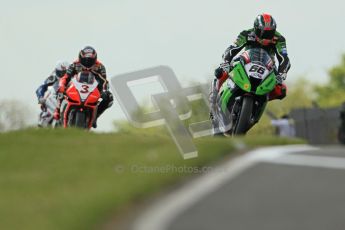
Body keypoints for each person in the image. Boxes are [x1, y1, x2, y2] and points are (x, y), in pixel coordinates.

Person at [210, 13, 291, 118]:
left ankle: (261, 100)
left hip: (268, 66)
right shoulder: (246, 33)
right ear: (256, 28)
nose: (266, 38)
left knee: (282, 90)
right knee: (220, 71)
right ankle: (213, 100)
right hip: (246, 60)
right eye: (262, 33)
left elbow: (284, 58)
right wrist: (225, 61)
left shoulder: (279, 39)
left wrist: (282, 74)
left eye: (269, 33)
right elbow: (232, 48)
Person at [54, 46, 113, 128]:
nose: (87, 63)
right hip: (75, 86)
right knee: (59, 92)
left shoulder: (100, 67)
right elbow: (66, 77)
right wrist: (62, 86)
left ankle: (95, 116)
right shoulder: (74, 64)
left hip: (93, 89)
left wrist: (104, 91)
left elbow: (104, 81)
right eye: (85, 60)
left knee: (109, 97)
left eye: (90, 60)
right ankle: (57, 111)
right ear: (80, 57)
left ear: (95, 59)